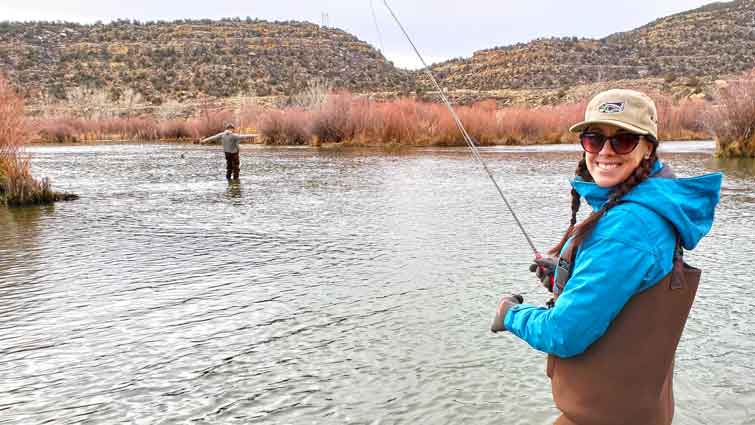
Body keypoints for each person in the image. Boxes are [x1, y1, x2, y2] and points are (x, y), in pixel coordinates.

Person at [490, 89, 722, 425]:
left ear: (647, 148)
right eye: (594, 139)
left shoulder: (625, 227)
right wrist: (565, 274)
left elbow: (563, 333)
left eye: (623, 140)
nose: (605, 152)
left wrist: (511, 314)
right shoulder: (655, 210)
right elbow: (631, 288)